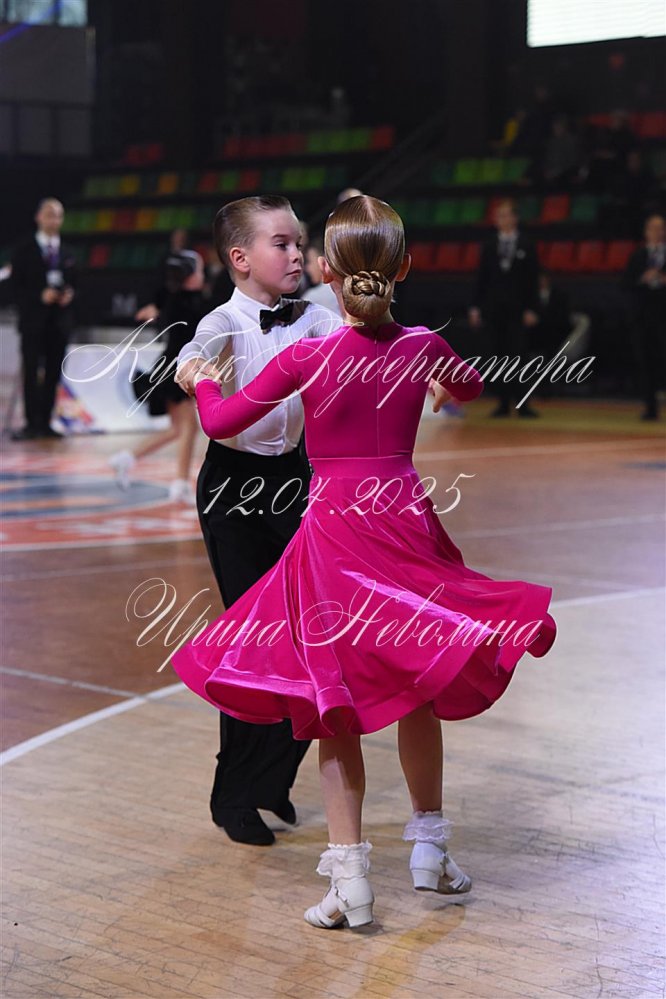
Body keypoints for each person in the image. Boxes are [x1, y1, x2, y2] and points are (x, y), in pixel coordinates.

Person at [171, 196, 557, 929]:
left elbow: (219, 422)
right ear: (404, 268)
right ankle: (430, 850)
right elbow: (473, 388)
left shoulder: (307, 356)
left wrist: (202, 380)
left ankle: (350, 881)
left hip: (334, 535)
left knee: (335, 700)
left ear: (327, 271)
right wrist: (436, 378)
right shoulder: (423, 345)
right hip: (404, 522)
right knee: (420, 684)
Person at [108, 231, 205, 503]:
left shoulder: (183, 300)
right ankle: (180, 484)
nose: (203, 274)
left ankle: (126, 458)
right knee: (187, 428)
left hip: (174, 366)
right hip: (175, 368)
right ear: (188, 276)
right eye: (199, 270)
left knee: (180, 429)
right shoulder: (185, 304)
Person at [10, 198, 76, 440]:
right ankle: (31, 423)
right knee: (31, 371)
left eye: (58, 215)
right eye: (49, 214)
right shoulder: (23, 250)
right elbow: (14, 288)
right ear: (38, 217)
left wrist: (69, 295)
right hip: (33, 322)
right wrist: (39, 295)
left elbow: (78, 285)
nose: (54, 219)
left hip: (59, 323)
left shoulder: (68, 252)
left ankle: (46, 421)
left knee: (53, 373)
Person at [469, 199, 540, 418]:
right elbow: (481, 279)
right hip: (493, 309)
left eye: (507, 215)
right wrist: (476, 307)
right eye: (499, 216)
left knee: (519, 355)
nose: (503, 219)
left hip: (518, 310)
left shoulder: (527, 245)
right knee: (497, 355)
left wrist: (532, 308)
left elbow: (533, 280)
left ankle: (523, 403)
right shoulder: (489, 245)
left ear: (515, 218)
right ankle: (502, 402)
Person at [624, 214, 666, 421]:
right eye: (652, 228)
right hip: (643, 317)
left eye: (660, 228)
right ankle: (651, 408)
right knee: (647, 362)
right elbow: (625, 283)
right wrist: (643, 278)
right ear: (646, 232)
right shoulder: (638, 255)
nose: (656, 232)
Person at [301, 242, 342, 314]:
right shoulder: (346, 288)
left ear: (323, 261)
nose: (307, 269)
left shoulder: (312, 298)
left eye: (309, 262)